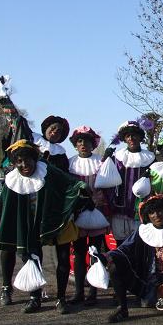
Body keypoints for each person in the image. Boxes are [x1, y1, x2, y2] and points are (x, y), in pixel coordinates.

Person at [0, 140, 90, 313]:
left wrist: (82, 187)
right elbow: (6, 205)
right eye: (19, 161)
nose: (24, 165)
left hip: (53, 220)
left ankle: (61, 299)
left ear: (34, 159)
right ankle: (34, 298)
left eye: (27, 160)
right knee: (32, 258)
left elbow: (70, 182)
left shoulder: (47, 170)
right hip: (29, 224)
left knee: (63, 257)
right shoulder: (12, 179)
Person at [101, 195, 163, 323]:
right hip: (148, 276)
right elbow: (124, 249)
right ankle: (122, 308)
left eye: (159, 211)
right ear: (148, 215)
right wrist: (107, 256)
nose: (156, 215)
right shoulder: (143, 231)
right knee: (114, 266)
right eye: (152, 212)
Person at [67, 126, 109, 306]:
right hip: (77, 212)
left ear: (93, 144)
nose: (83, 144)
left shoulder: (101, 162)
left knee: (95, 252)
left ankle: (93, 291)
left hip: (96, 211)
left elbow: (106, 186)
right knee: (78, 252)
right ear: (75, 144)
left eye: (87, 141)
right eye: (79, 141)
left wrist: (96, 202)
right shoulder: (70, 163)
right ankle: (78, 291)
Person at [99, 120, 155, 245]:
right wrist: (105, 159)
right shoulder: (118, 157)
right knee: (122, 245)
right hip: (120, 209)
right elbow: (104, 177)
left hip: (142, 210)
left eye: (134, 135)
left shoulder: (150, 158)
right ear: (124, 138)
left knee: (141, 244)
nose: (131, 138)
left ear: (140, 137)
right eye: (128, 136)